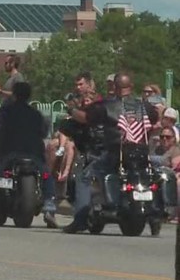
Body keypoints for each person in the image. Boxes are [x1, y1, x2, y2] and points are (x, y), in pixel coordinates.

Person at [64, 73, 159, 235]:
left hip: (116, 154)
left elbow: (86, 118)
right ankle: (154, 217)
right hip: (142, 154)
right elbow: (156, 119)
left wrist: (71, 109)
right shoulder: (145, 106)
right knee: (150, 176)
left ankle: (80, 221)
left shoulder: (106, 106)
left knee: (84, 176)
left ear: (115, 87)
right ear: (132, 86)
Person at [0, 82, 58, 227]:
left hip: (8, 153)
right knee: (46, 176)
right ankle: (49, 207)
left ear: (14, 94)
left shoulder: (6, 111)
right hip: (34, 155)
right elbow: (44, 131)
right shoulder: (35, 114)